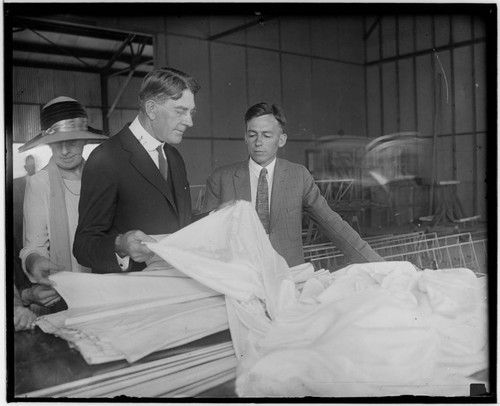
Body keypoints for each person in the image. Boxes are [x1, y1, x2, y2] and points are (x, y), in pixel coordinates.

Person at [203, 102, 384, 267]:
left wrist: (380, 265)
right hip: (239, 277)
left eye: (266, 135)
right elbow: (205, 239)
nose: (258, 142)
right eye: (252, 135)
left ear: (281, 140)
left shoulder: (299, 176)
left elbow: (332, 223)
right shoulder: (220, 179)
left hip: (288, 276)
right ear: (245, 137)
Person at [74, 67, 200, 273]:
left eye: (191, 112)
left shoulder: (175, 158)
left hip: (173, 285)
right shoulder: (105, 158)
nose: (189, 121)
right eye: (180, 111)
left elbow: (178, 224)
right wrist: (120, 246)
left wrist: (216, 215)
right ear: (151, 109)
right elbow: (83, 246)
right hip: (132, 289)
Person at [18, 96, 108, 314]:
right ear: (47, 143)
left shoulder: (103, 178)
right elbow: (34, 245)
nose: (65, 151)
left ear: (85, 140)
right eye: (57, 143)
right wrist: (35, 260)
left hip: (106, 287)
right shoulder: (40, 183)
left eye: (73, 141)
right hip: (64, 291)